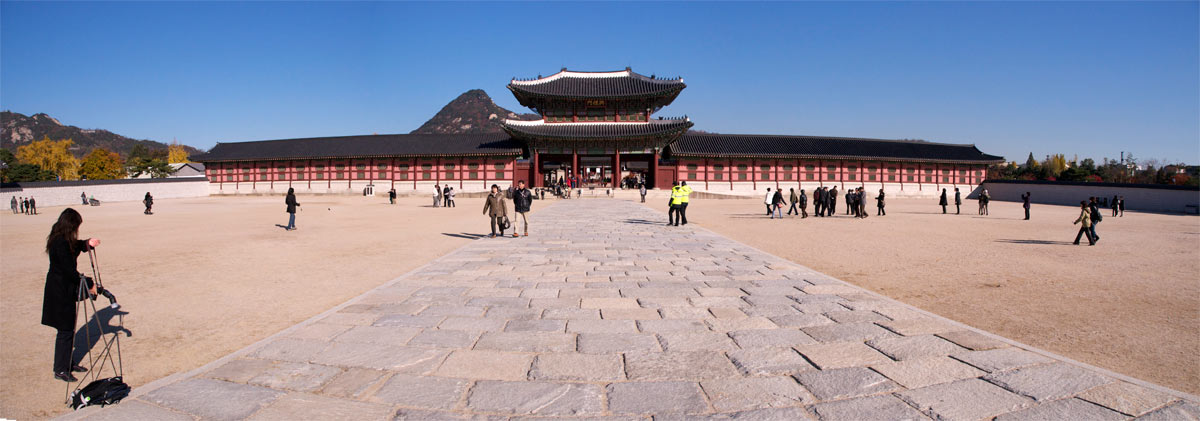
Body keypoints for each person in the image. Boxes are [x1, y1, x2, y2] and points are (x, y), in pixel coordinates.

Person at [41, 208, 101, 382]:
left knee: (68, 328)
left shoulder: (62, 238)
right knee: (65, 330)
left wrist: (87, 243)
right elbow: (69, 271)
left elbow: (74, 246)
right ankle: (60, 369)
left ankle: (68, 363)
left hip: (63, 288)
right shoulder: (59, 243)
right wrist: (89, 283)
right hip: (59, 290)